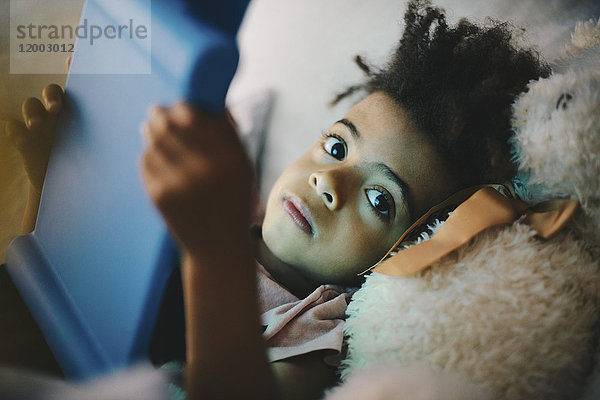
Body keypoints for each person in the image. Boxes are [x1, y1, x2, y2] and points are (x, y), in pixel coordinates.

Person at [4, 1, 550, 398]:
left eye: (381, 201)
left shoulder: (316, 329)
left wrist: (211, 252)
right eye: (336, 146)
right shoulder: (232, 213)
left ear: (408, 249)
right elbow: (76, 305)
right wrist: (54, 187)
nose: (329, 182)